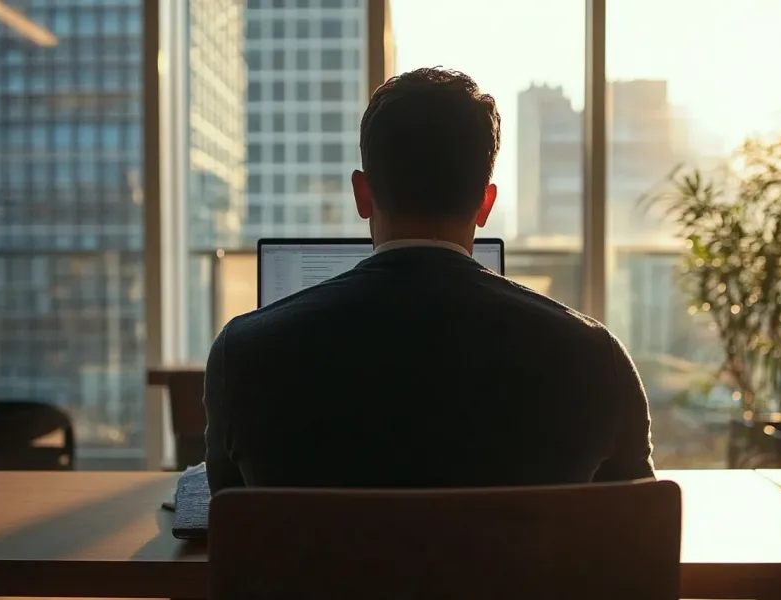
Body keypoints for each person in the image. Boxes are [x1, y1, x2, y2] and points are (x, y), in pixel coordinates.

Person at [204, 67, 654, 493]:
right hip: (512, 578)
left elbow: (228, 526)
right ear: (485, 204)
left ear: (363, 194)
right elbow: (635, 534)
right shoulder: (594, 358)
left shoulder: (245, 355)